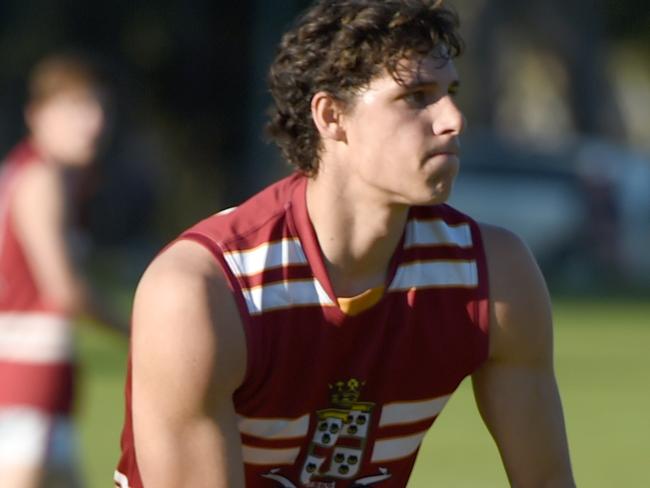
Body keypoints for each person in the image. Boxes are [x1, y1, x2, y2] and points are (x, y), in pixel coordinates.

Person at [115, 1, 575, 486]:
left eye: (450, 92)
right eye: (417, 96)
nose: (453, 119)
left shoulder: (493, 276)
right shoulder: (204, 291)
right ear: (332, 116)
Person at [0, 53, 125, 488]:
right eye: (77, 108)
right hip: (25, 380)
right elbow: (64, 289)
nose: (93, 123)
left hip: (41, 383)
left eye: (100, 108)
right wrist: (137, 331)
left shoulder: (27, 172)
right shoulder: (42, 180)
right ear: (36, 114)